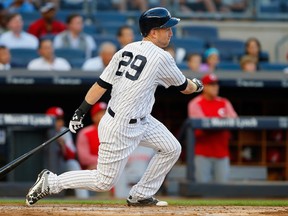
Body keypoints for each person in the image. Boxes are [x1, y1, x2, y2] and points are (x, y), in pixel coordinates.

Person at [25, 7, 204, 207]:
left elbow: (100, 85)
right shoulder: (162, 57)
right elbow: (186, 88)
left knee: (171, 148)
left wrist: (80, 111)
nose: (171, 32)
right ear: (153, 32)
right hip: (120, 126)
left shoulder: (125, 49)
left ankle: (140, 194)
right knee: (104, 181)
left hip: (143, 120)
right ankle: (52, 182)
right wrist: (197, 84)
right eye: (166, 28)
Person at [187, 73, 237, 183]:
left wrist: (216, 123)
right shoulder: (195, 103)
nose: (215, 87)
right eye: (211, 84)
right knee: (202, 189)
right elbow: (203, 125)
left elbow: (234, 120)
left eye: (216, 84)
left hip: (222, 152)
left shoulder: (224, 102)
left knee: (222, 190)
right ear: (204, 86)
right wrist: (222, 122)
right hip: (203, 152)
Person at [45, 107, 89, 199]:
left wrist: (63, 145)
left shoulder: (64, 131)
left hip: (59, 166)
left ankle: (83, 199)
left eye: (61, 119)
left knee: (73, 164)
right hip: (44, 166)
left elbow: (72, 155)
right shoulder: (42, 130)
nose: (60, 122)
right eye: (57, 119)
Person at [76, 102, 107, 170]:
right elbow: (83, 159)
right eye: (101, 113)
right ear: (94, 117)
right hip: (93, 168)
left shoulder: (114, 132)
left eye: (106, 112)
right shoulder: (85, 133)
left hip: (113, 166)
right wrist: (107, 161)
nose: (105, 115)